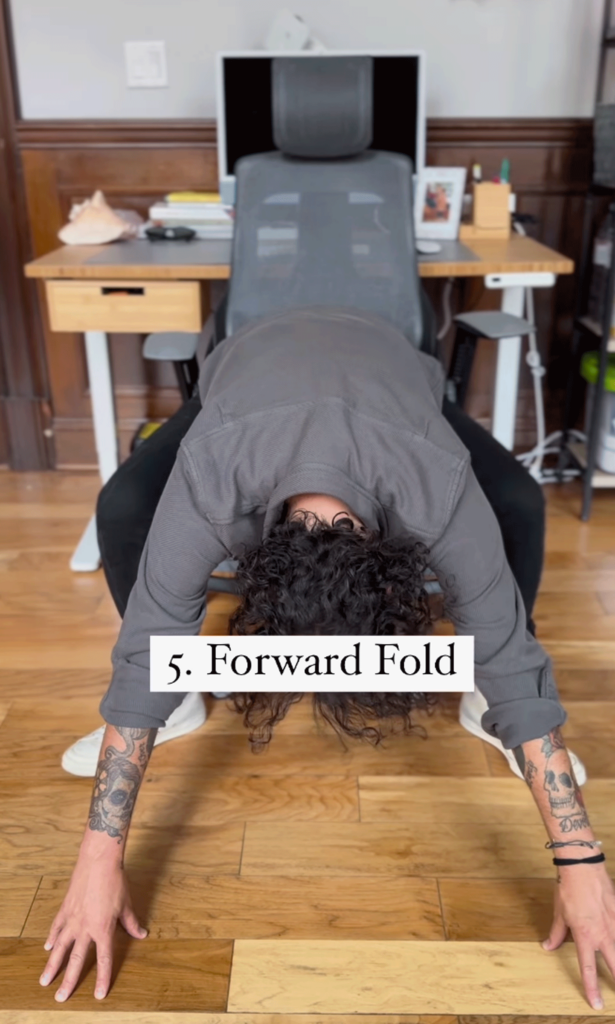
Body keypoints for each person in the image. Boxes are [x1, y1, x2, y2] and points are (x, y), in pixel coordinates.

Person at [42, 307, 614, 1008]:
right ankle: (182, 694)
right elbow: (140, 657)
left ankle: (478, 703)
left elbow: (510, 657)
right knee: (123, 505)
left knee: (519, 505)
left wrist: (581, 862)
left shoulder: (433, 484)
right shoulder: (214, 478)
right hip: (245, 366)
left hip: (393, 371)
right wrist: (97, 860)